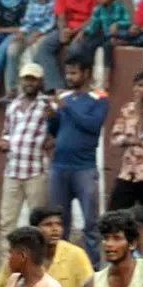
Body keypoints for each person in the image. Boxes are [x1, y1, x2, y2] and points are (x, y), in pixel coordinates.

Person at [47, 58, 109, 264]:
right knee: (58, 223)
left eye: (74, 73)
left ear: (86, 73)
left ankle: (93, 270)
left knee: (91, 223)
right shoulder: (64, 97)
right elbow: (57, 130)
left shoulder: (99, 98)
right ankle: (60, 267)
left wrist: (67, 107)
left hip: (84, 168)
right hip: (59, 167)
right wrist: (51, 118)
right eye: (68, 73)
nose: (69, 77)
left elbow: (92, 125)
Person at [0, 63, 53, 235]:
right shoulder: (13, 105)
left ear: (41, 82)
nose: (29, 83)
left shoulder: (48, 106)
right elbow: (7, 132)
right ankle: (8, 261)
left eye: (33, 79)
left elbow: (58, 131)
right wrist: (3, 142)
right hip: (12, 171)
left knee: (39, 222)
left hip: (36, 171)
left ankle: (38, 260)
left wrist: (52, 142)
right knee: (7, 221)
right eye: (26, 79)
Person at [37, 0, 99, 91]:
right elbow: (60, 14)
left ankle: (74, 89)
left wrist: (77, 31)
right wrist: (64, 29)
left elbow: (95, 17)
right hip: (68, 27)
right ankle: (57, 89)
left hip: (88, 29)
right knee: (45, 46)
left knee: (75, 49)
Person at [5, 0, 57, 96]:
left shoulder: (55, 0)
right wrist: (22, 32)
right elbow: (27, 20)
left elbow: (52, 22)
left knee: (37, 50)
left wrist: (38, 34)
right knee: (12, 50)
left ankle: (39, 88)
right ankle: (11, 89)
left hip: (45, 32)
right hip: (30, 31)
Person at [109, 70, 143, 210]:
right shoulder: (127, 109)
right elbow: (115, 138)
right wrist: (134, 142)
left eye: (141, 85)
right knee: (114, 214)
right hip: (127, 172)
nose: (136, 89)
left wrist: (142, 113)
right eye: (135, 85)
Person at [66, 0, 130, 73]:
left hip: (118, 34)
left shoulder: (120, 7)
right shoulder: (98, 10)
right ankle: (88, 67)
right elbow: (93, 26)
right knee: (89, 43)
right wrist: (84, 32)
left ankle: (120, 44)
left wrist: (118, 24)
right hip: (105, 35)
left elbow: (127, 21)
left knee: (109, 44)